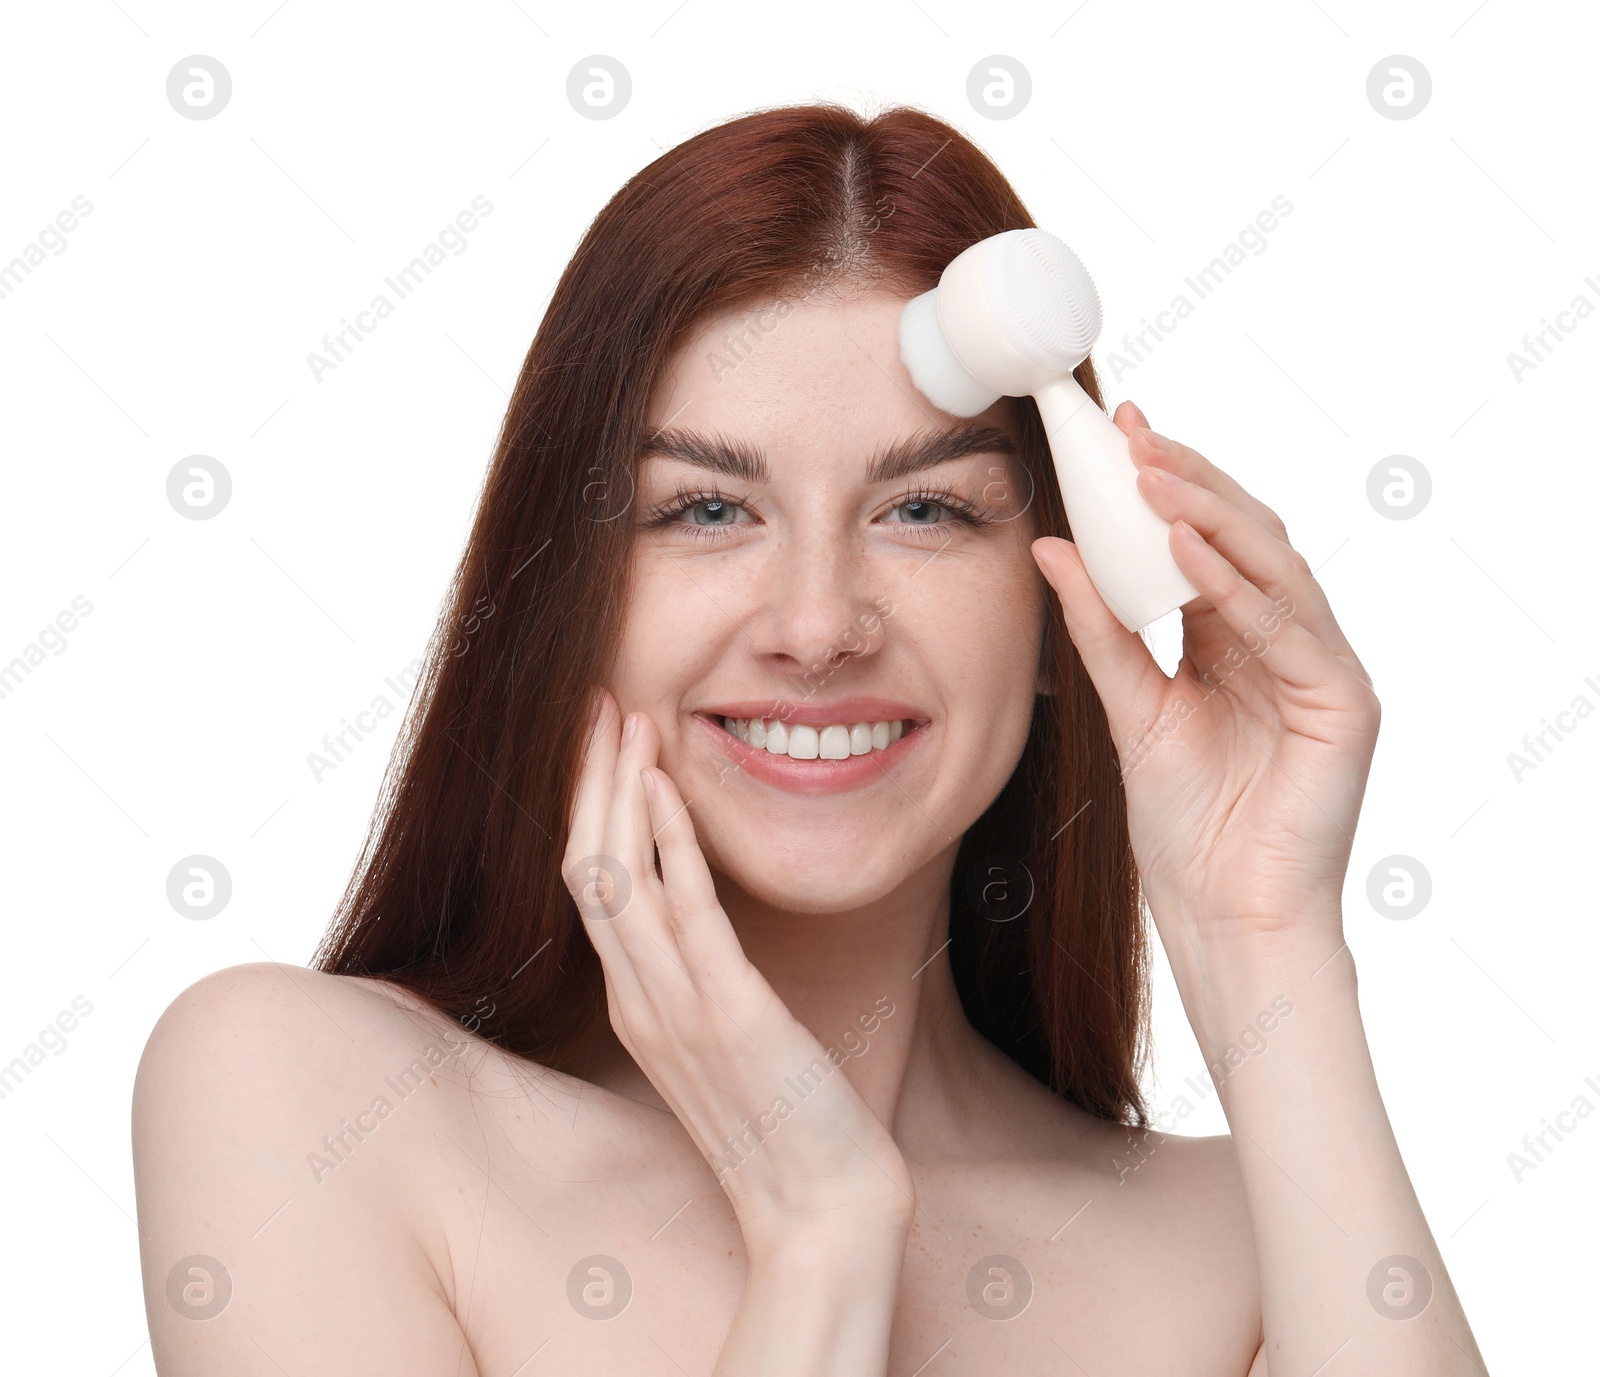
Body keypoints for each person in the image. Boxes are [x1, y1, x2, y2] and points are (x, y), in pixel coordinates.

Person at [132, 101, 1487, 1374]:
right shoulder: (305, 1103)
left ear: (1059, 596)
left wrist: (1261, 931)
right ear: (566, 598)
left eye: (930, 511)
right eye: (708, 511)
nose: (818, 622)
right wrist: (821, 1233)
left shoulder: (1241, 1257)